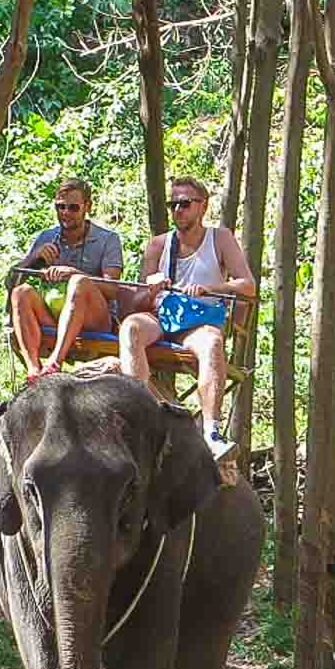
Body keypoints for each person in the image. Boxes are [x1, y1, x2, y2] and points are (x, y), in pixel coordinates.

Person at [116, 177, 256, 460]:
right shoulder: (158, 245)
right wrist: (151, 286)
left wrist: (210, 288)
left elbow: (248, 285)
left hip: (199, 321)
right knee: (131, 327)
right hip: (163, 316)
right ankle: (140, 416)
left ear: (202, 207)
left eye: (185, 203)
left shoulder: (221, 238)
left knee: (213, 342)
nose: (178, 210)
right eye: (173, 204)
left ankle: (211, 430)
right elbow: (139, 299)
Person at [8, 178, 124, 377]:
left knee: (79, 282)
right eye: (60, 207)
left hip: (95, 319)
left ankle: (55, 361)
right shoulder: (46, 237)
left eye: (73, 208)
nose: (65, 213)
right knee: (21, 293)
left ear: (87, 207)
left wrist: (74, 273)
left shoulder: (108, 239)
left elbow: (112, 289)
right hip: (55, 316)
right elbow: (10, 283)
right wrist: (32, 259)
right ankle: (33, 370)